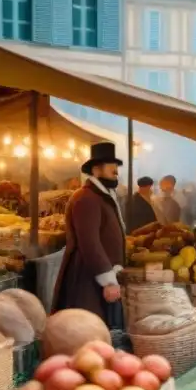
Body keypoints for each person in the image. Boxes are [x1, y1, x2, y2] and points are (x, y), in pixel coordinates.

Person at [52, 143, 126, 335]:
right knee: (84, 330)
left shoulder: (101, 196)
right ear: (96, 169)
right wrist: (107, 279)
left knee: (96, 329)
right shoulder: (86, 198)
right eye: (112, 170)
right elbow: (89, 242)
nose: (116, 174)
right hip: (86, 277)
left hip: (96, 276)